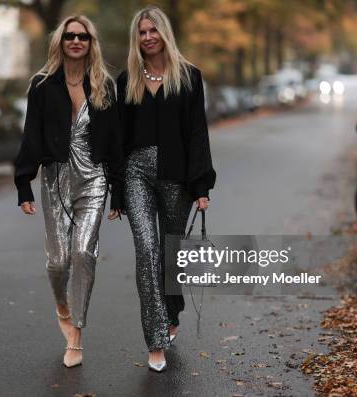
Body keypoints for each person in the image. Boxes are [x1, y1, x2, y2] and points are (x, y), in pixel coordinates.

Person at [14, 15, 123, 368]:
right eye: (70, 36)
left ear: (92, 43)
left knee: (83, 252)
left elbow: (115, 143)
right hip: (55, 178)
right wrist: (23, 184)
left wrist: (117, 191)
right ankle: (61, 302)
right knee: (59, 261)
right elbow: (31, 135)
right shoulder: (43, 85)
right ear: (60, 42)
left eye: (83, 36)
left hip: (94, 179)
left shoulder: (105, 85)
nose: (76, 41)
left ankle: (76, 333)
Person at [117, 6, 216, 372]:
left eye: (152, 30)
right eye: (141, 32)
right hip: (135, 175)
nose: (147, 37)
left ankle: (172, 311)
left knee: (170, 254)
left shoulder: (189, 77)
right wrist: (115, 191)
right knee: (147, 252)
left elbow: (197, 133)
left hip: (177, 176)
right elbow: (118, 141)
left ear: (164, 33)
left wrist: (201, 185)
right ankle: (156, 339)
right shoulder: (126, 80)